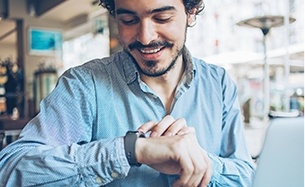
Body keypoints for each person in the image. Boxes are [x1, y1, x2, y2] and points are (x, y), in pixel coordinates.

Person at [0, 0, 255, 186]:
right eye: (128, 21)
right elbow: (11, 170)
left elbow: (246, 174)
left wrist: (197, 161)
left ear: (190, 11)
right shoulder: (83, 84)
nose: (145, 38)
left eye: (162, 18)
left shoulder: (219, 83)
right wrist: (130, 151)